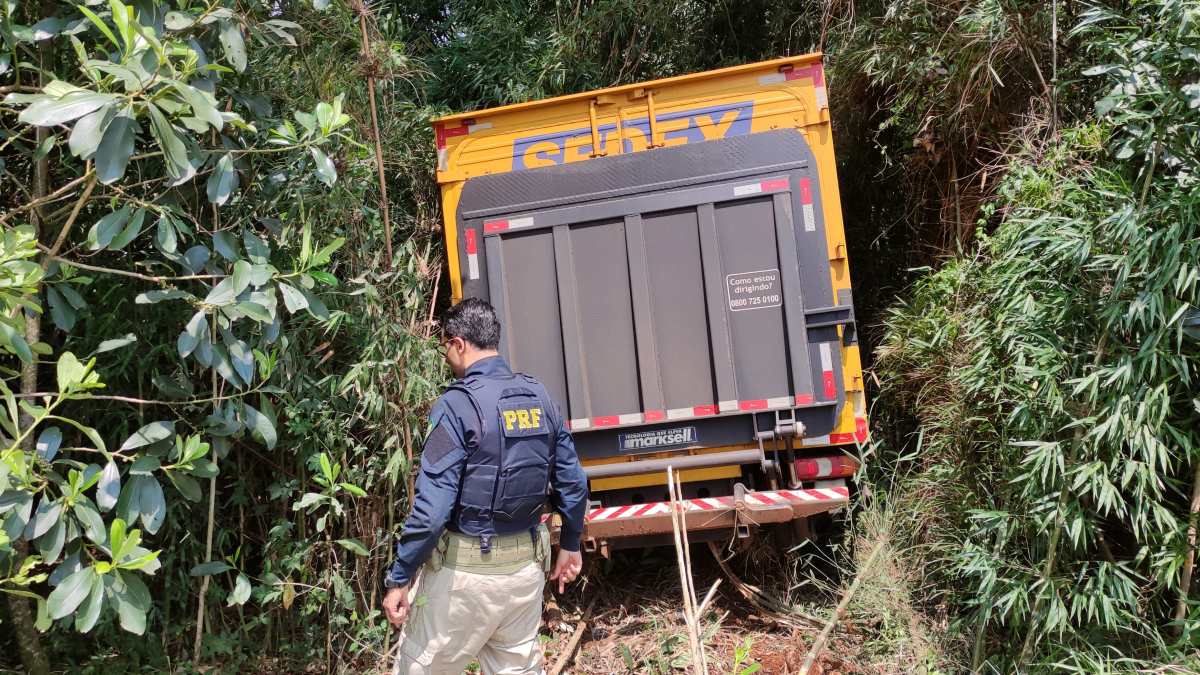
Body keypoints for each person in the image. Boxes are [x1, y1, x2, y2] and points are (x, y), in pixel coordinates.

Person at [382, 297, 589, 674]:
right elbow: (573, 483)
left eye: (445, 345)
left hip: (464, 580)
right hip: (525, 575)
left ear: (459, 344)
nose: (446, 354)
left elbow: (432, 512)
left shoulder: (455, 406)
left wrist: (399, 577)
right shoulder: (540, 397)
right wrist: (571, 544)